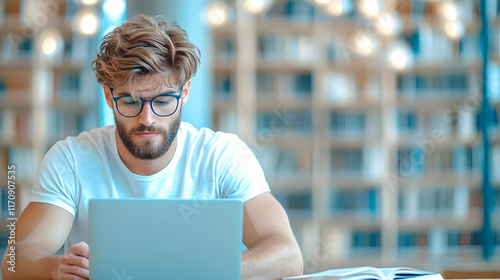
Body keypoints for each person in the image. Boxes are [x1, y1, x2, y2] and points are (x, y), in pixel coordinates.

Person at [1, 14, 303, 280]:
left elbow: (288, 255)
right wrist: (55, 268)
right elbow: (14, 260)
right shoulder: (71, 160)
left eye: (162, 101)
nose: (148, 119)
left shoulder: (223, 156)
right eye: (130, 101)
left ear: (184, 93)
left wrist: (211, 270)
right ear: (108, 96)